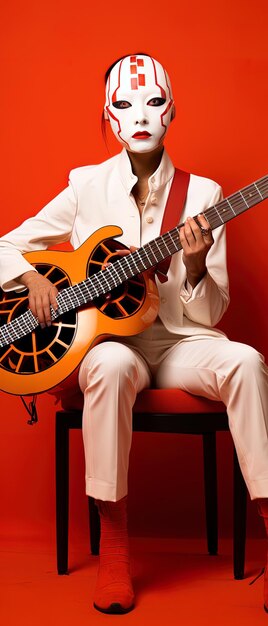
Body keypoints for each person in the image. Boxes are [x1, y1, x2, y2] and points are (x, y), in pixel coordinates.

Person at [0, 53, 268, 615]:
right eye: (123, 104)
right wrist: (32, 278)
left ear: (173, 111)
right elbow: (4, 245)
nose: (140, 115)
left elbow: (211, 312)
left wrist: (194, 267)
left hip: (179, 344)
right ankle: (116, 551)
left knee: (245, 360)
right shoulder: (85, 185)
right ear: (108, 114)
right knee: (108, 366)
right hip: (112, 345)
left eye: (153, 102)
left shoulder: (205, 193)